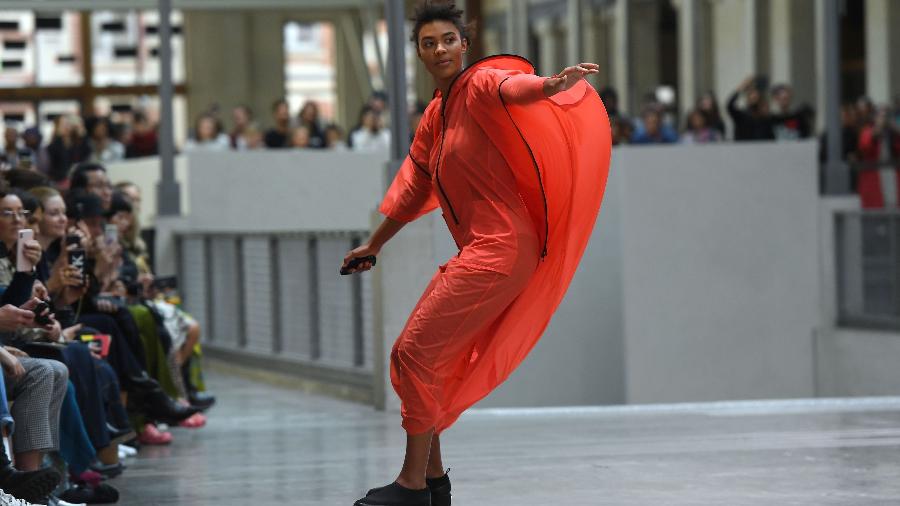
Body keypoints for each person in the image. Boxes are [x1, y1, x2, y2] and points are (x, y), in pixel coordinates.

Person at [341, 3, 611, 505]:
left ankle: (411, 486)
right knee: (425, 359)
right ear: (418, 53)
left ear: (465, 45)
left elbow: (517, 88)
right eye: (428, 43)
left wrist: (552, 86)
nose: (439, 49)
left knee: (414, 353)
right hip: (486, 251)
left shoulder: (480, 86)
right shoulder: (435, 117)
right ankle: (434, 481)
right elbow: (415, 187)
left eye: (448, 40)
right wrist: (375, 244)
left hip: (502, 250)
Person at [727, 76, 775, 141]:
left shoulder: (764, 117)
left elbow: (771, 137)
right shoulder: (741, 115)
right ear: (747, 98)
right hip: (743, 148)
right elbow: (729, 105)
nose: (753, 96)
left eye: (755, 94)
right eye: (751, 94)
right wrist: (741, 87)